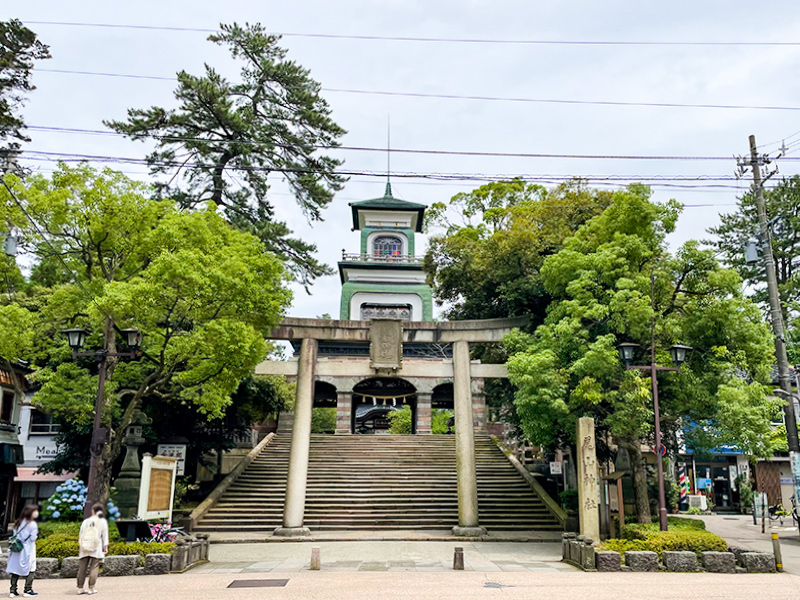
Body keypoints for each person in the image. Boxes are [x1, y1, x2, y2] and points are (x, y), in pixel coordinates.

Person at [6, 504, 39, 598]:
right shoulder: (32, 524)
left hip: (16, 549)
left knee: (15, 569)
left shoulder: (18, 522)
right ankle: (27, 590)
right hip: (28, 548)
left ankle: (13, 590)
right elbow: (33, 537)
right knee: (31, 568)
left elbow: (15, 535)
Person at [76, 504, 108, 596]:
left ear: (93, 511)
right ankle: (91, 588)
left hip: (85, 546)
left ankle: (80, 588)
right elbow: (104, 535)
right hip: (96, 547)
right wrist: (105, 546)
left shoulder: (86, 521)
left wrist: (80, 546)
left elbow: (81, 534)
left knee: (82, 568)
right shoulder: (102, 522)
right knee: (94, 567)